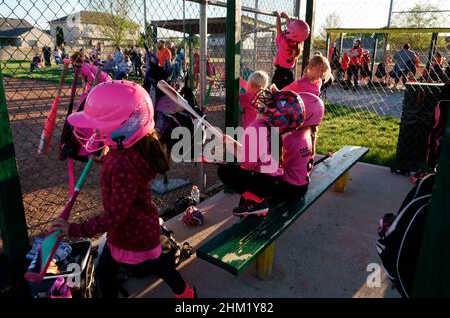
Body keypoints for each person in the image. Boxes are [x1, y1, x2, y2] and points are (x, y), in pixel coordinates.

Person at [51, 81, 196, 299]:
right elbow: (124, 174)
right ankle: (186, 294)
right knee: (158, 265)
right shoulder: (129, 148)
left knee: (106, 274)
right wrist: (106, 161)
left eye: (99, 125)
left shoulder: (122, 163)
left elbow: (116, 215)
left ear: (121, 129)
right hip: (139, 229)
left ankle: (186, 294)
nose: (94, 130)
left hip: (130, 235)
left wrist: (75, 229)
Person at [218, 88, 324, 217]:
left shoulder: (288, 138)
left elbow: (252, 161)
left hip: (286, 188)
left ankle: (254, 210)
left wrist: (235, 147)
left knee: (229, 172)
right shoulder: (305, 135)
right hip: (299, 186)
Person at [272, 11, 310, 89]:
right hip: (290, 73)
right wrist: (287, 17)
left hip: (280, 73)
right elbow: (293, 29)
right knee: (287, 93)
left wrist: (278, 17)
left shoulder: (283, 42)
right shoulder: (299, 45)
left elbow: (278, 29)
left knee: (275, 93)